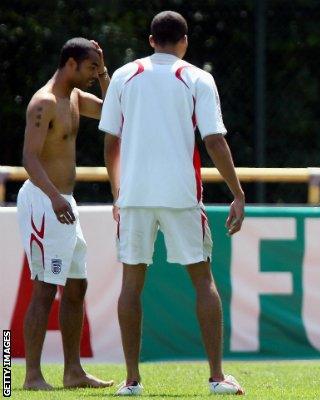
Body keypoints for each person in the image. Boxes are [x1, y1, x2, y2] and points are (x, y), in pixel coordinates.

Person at [99, 10, 245, 396]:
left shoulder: (123, 76)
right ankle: (217, 377)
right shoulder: (197, 77)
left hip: (134, 196)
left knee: (132, 284)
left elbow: (110, 140)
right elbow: (214, 140)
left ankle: (131, 381)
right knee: (202, 281)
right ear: (184, 41)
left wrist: (118, 192)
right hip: (181, 194)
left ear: (150, 40)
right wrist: (237, 192)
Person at [17, 38, 113, 391]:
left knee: (76, 286)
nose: (92, 75)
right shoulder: (43, 102)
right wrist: (55, 197)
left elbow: (114, 111)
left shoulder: (73, 98)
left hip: (64, 203)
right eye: (89, 68)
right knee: (44, 288)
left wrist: (104, 71)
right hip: (46, 201)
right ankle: (29, 377)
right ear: (71, 63)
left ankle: (73, 372)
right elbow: (29, 158)